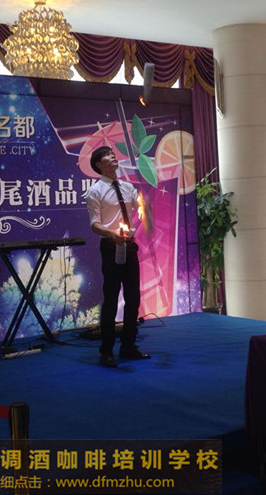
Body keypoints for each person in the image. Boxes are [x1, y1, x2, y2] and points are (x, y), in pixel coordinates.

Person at [85, 146, 150, 368]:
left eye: (113, 154)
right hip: (110, 246)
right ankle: (106, 351)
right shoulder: (95, 191)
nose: (113, 156)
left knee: (133, 298)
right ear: (99, 165)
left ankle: (128, 346)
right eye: (107, 155)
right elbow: (94, 224)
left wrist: (144, 208)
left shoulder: (128, 187)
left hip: (129, 246)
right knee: (111, 299)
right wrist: (112, 234)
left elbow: (139, 208)